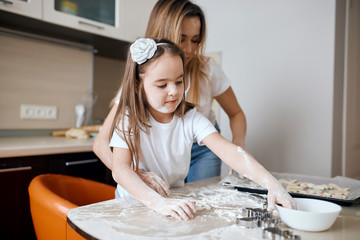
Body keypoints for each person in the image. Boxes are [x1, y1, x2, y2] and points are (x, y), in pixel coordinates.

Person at [110, 37, 295, 221]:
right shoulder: (128, 118)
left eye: (179, 81)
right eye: (162, 85)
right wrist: (157, 203)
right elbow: (120, 169)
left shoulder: (191, 118)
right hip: (133, 204)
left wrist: (273, 185)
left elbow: (231, 153)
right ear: (137, 85)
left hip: (169, 201)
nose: (173, 91)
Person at [93, 0, 246, 184]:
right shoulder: (142, 81)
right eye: (181, 39)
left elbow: (236, 113)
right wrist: (132, 172)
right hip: (163, 150)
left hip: (203, 150)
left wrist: (238, 145)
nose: (189, 49)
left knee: (203, 199)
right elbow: (101, 143)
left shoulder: (208, 70)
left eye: (195, 40)